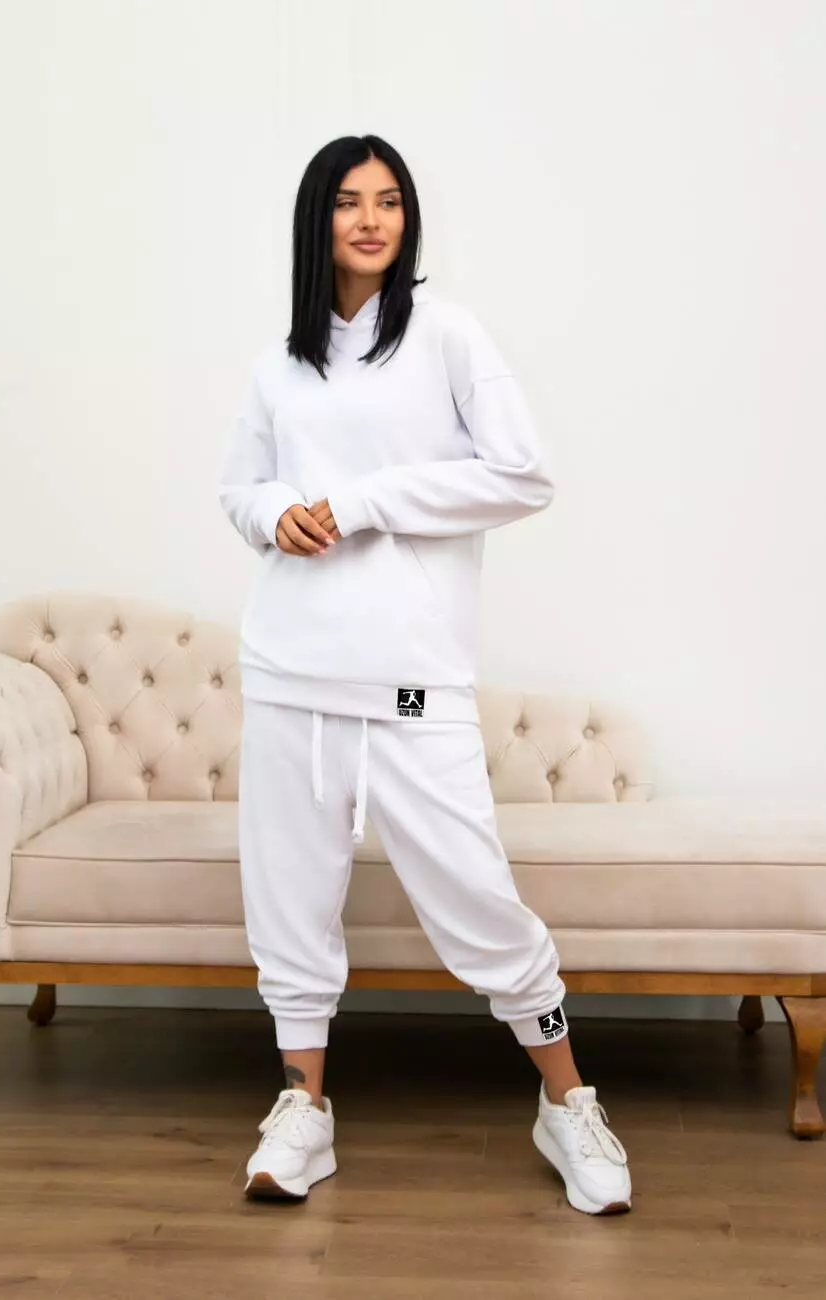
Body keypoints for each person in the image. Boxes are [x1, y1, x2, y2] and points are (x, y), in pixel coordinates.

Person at [219, 134, 631, 1216]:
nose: (371, 219)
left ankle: (566, 1100)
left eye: (389, 200)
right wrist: (276, 513)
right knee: (289, 902)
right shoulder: (282, 360)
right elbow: (240, 486)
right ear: (317, 220)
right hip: (288, 667)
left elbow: (521, 473)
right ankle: (302, 1108)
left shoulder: (446, 334)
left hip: (408, 678)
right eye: (349, 202)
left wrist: (362, 502)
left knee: (476, 896)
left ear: (408, 219)